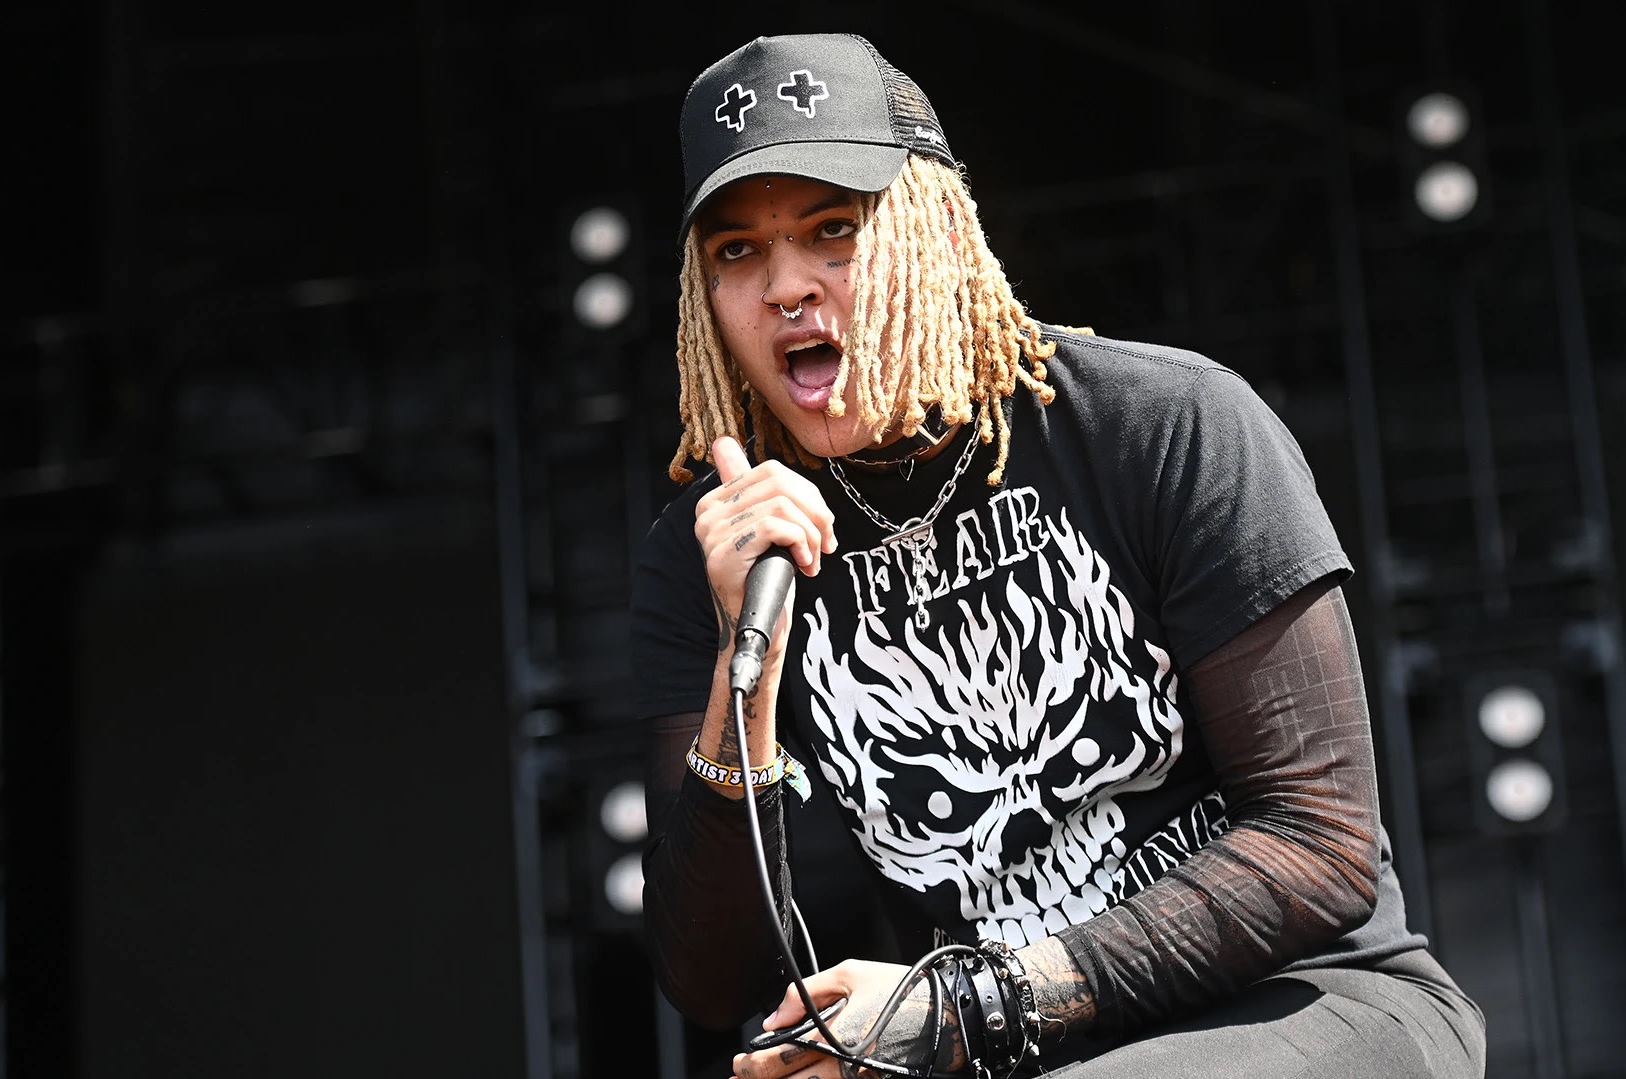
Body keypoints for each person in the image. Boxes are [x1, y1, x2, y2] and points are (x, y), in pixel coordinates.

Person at [634, 31, 1486, 1079]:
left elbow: (1320, 841)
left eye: (835, 230)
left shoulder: (1162, 423)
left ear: (935, 231)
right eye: (738, 252)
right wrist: (739, 664)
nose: (788, 287)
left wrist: (975, 998)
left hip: (1311, 1003)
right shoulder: (712, 554)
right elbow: (710, 978)